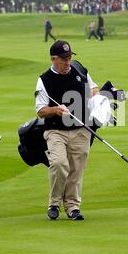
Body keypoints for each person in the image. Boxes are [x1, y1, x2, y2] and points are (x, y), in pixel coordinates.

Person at [35, 40, 98, 221]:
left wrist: (100, 100)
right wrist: (56, 110)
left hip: (81, 130)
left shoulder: (80, 71)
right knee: (60, 164)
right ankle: (54, 203)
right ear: (53, 59)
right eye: (63, 59)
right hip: (56, 131)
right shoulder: (44, 80)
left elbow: (93, 89)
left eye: (69, 58)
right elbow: (40, 110)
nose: (67, 62)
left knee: (77, 169)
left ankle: (72, 206)